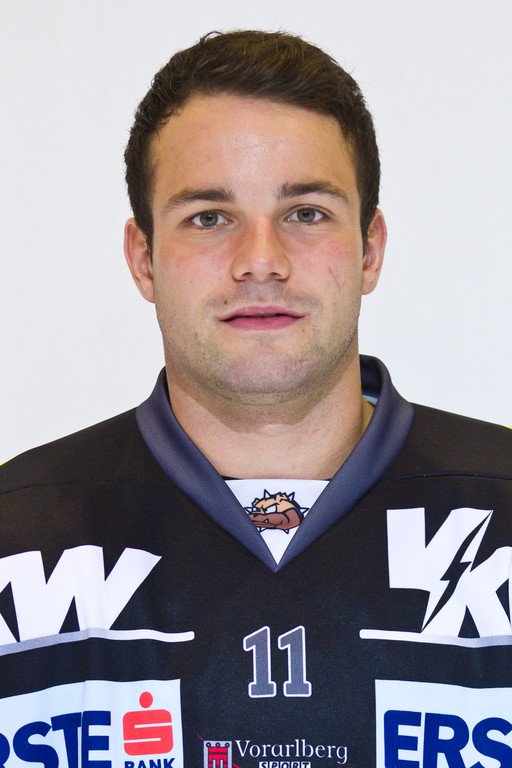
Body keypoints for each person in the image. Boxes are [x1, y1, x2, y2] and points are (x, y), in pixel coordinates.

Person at [1, 30, 511, 768]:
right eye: (209, 217)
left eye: (306, 212)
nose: (260, 261)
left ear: (369, 250)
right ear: (144, 260)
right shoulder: (16, 535)